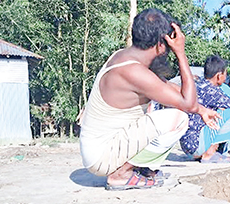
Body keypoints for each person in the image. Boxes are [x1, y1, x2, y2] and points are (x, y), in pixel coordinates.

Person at [79, 8, 219, 190]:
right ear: (162, 44)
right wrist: (181, 54)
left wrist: (202, 110)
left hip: (101, 149)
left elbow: (167, 87)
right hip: (101, 157)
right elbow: (188, 104)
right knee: (178, 119)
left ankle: (139, 169)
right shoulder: (133, 71)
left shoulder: (126, 58)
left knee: (167, 112)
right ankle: (121, 174)